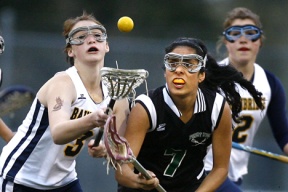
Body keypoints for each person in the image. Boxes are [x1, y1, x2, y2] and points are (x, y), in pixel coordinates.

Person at [0, 12, 129, 191]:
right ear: (70, 50)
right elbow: (58, 134)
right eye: (81, 37)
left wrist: (105, 150)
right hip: (21, 177)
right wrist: (92, 119)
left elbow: (119, 146)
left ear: (106, 45)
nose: (91, 40)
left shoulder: (117, 92)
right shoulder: (63, 83)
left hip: (64, 180)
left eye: (97, 36)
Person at [115, 37, 264, 191]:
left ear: (201, 75)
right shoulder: (147, 107)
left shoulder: (217, 108)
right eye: (172, 63)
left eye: (188, 65)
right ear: (165, 73)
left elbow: (220, 169)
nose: (179, 70)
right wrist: (138, 181)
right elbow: (122, 170)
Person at [204, 7, 288, 191]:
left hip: (233, 174)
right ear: (226, 42)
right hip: (203, 168)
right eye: (235, 33)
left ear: (260, 42)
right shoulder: (209, 77)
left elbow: (284, 135)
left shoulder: (270, 84)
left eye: (251, 33)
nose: (243, 39)